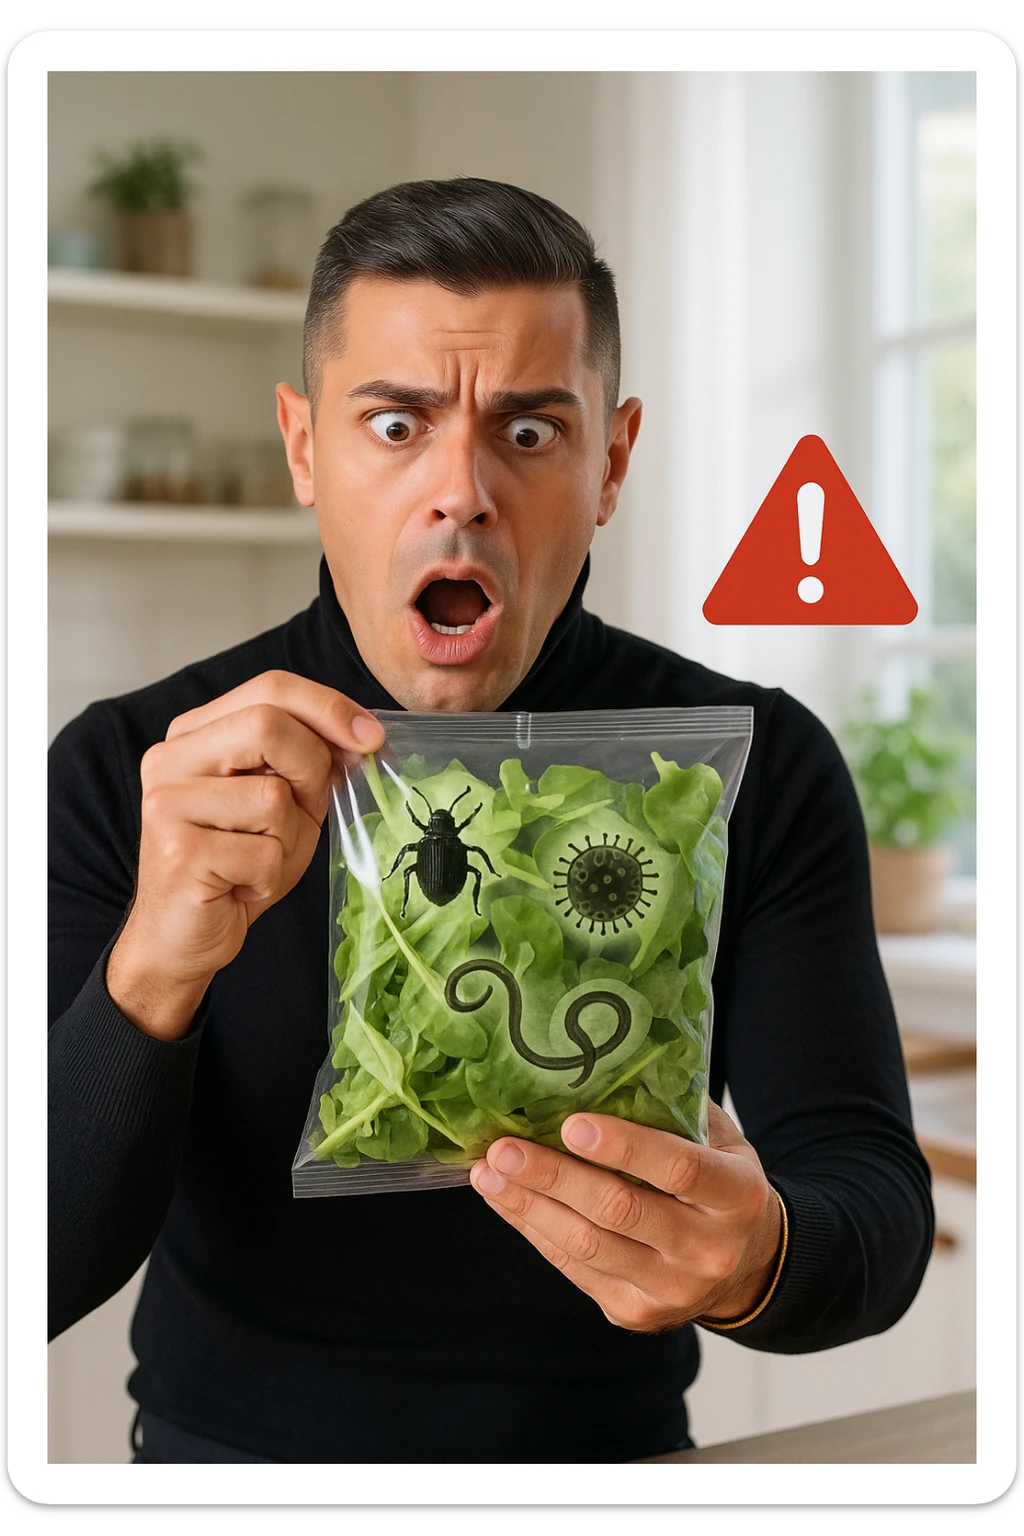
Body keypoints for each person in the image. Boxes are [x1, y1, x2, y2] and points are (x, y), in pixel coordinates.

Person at [48, 176, 934, 1465]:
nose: (459, 492)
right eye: (395, 423)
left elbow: (874, 1212)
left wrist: (758, 1257)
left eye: (528, 433)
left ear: (611, 462)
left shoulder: (758, 767)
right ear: (305, 447)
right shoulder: (133, 771)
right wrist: (151, 971)